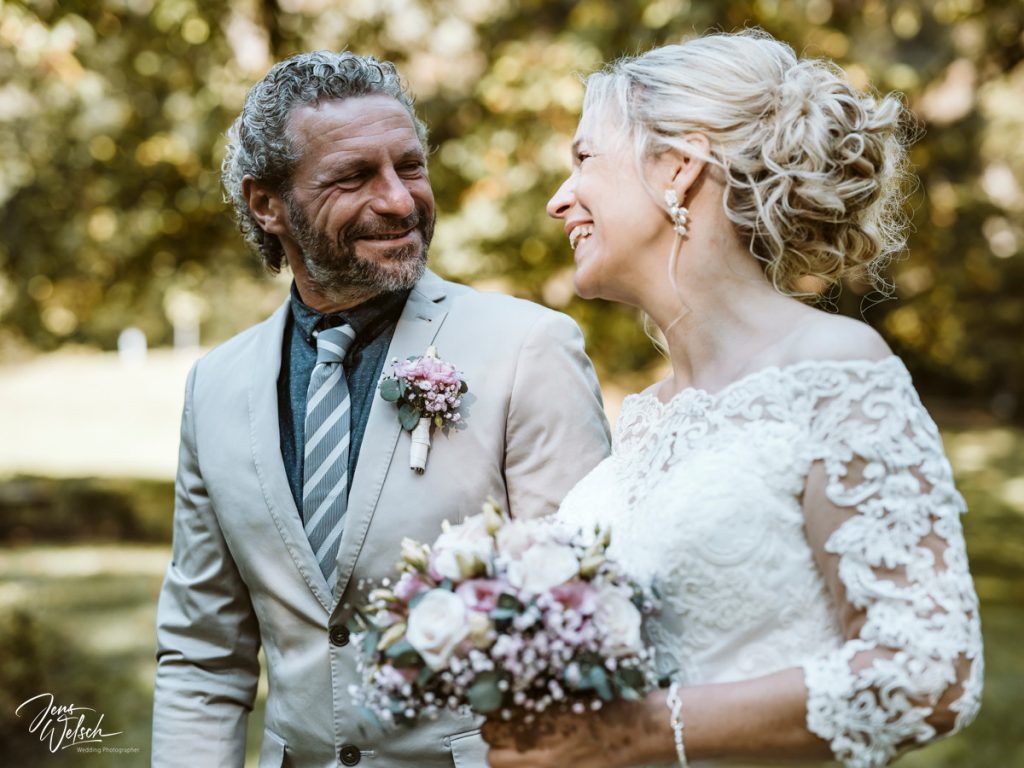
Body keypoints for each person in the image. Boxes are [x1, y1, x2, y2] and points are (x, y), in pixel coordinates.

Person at [483, 29, 983, 768]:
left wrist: (638, 733)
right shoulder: (647, 417)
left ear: (678, 168)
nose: (560, 200)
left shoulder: (833, 371)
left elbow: (929, 673)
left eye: (585, 158)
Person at [151, 51, 611, 768]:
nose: (399, 201)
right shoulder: (215, 386)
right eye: (354, 176)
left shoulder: (529, 349)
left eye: (410, 166)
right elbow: (203, 657)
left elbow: (583, 624)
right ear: (267, 204)